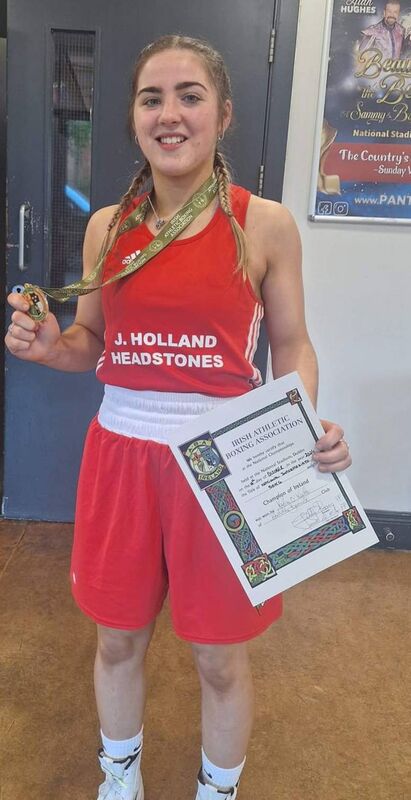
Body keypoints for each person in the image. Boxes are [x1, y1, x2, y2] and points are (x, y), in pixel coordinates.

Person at [5, 35, 352, 800]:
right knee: (117, 638)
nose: (170, 114)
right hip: (122, 455)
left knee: (219, 656)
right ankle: (118, 780)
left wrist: (306, 424)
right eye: (151, 97)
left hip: (224, 462)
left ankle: (216, 791)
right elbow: (88, 345)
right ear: (131, 117)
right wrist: (45, 347)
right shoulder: (105, 227)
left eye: (189, 96)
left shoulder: (263, 224)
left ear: (222, 113)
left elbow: (292, 344)